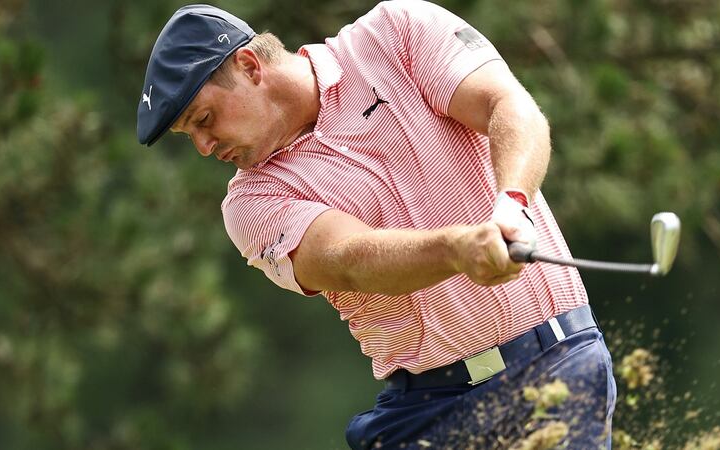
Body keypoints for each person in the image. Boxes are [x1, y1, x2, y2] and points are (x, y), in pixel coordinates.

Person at [136, 2, 616, 448]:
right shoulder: (250, 203)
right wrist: (457, 248)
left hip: (557, 365)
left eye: (205, 118)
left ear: (250, 66)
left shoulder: (396, 33)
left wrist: (512, 204)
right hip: (425, 411)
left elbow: (506, 107)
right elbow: (348, 260)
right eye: (190, 136)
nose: (204, 146)